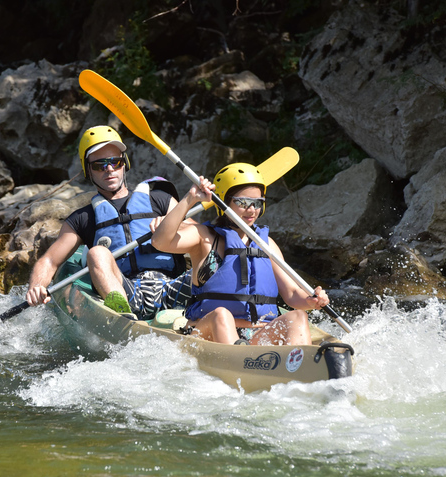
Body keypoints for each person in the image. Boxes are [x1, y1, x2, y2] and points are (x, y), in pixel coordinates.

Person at [151, 163, 330, 345]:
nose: (252, 210)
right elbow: (160, 242)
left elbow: (292, 294)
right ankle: (238, 361)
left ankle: (298, 363)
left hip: (257, 334)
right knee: (221, 315)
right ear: (224, 202)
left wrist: (311, 301)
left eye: (258, 203)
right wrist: (190, 199)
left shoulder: (266, 244)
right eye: (243, 202)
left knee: (298, 317)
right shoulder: (204, 237)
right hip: (209, 331)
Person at [26, 125, 191, 320]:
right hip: (129, 291)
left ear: (125, 163)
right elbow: (49, 260)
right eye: (100, 165)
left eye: (116, 162)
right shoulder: (83, 219)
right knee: (97, 253)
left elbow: (198, 234)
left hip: (173, 286)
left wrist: (172, 224)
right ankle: (123, 317)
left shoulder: (160, 200)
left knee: (213, 257)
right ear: (89, 170)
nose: (110, 169)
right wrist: (36, 286)